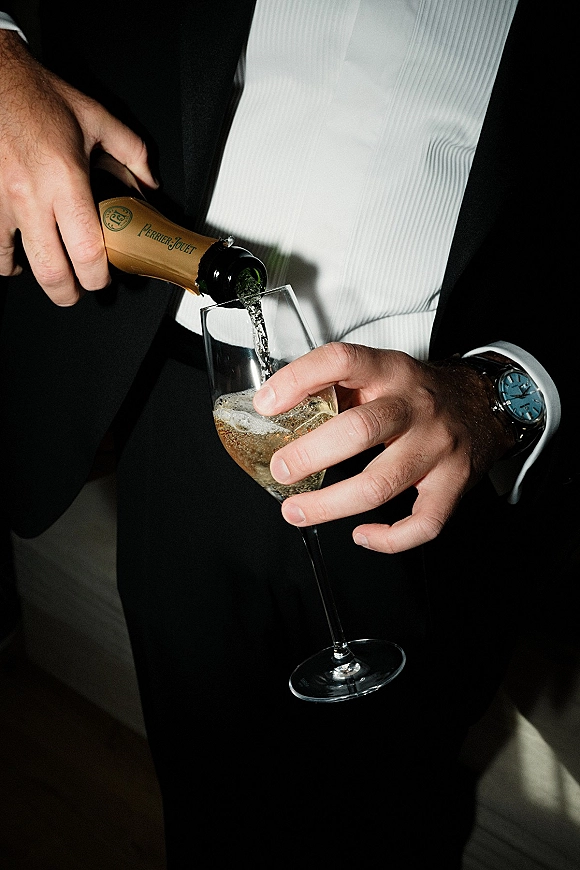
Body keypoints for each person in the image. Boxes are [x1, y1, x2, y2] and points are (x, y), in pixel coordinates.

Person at [0, 1, 574, 866]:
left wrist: (500, 395)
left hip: (436, 451)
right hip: (186, 412)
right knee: (207, 804)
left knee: (391, 817)